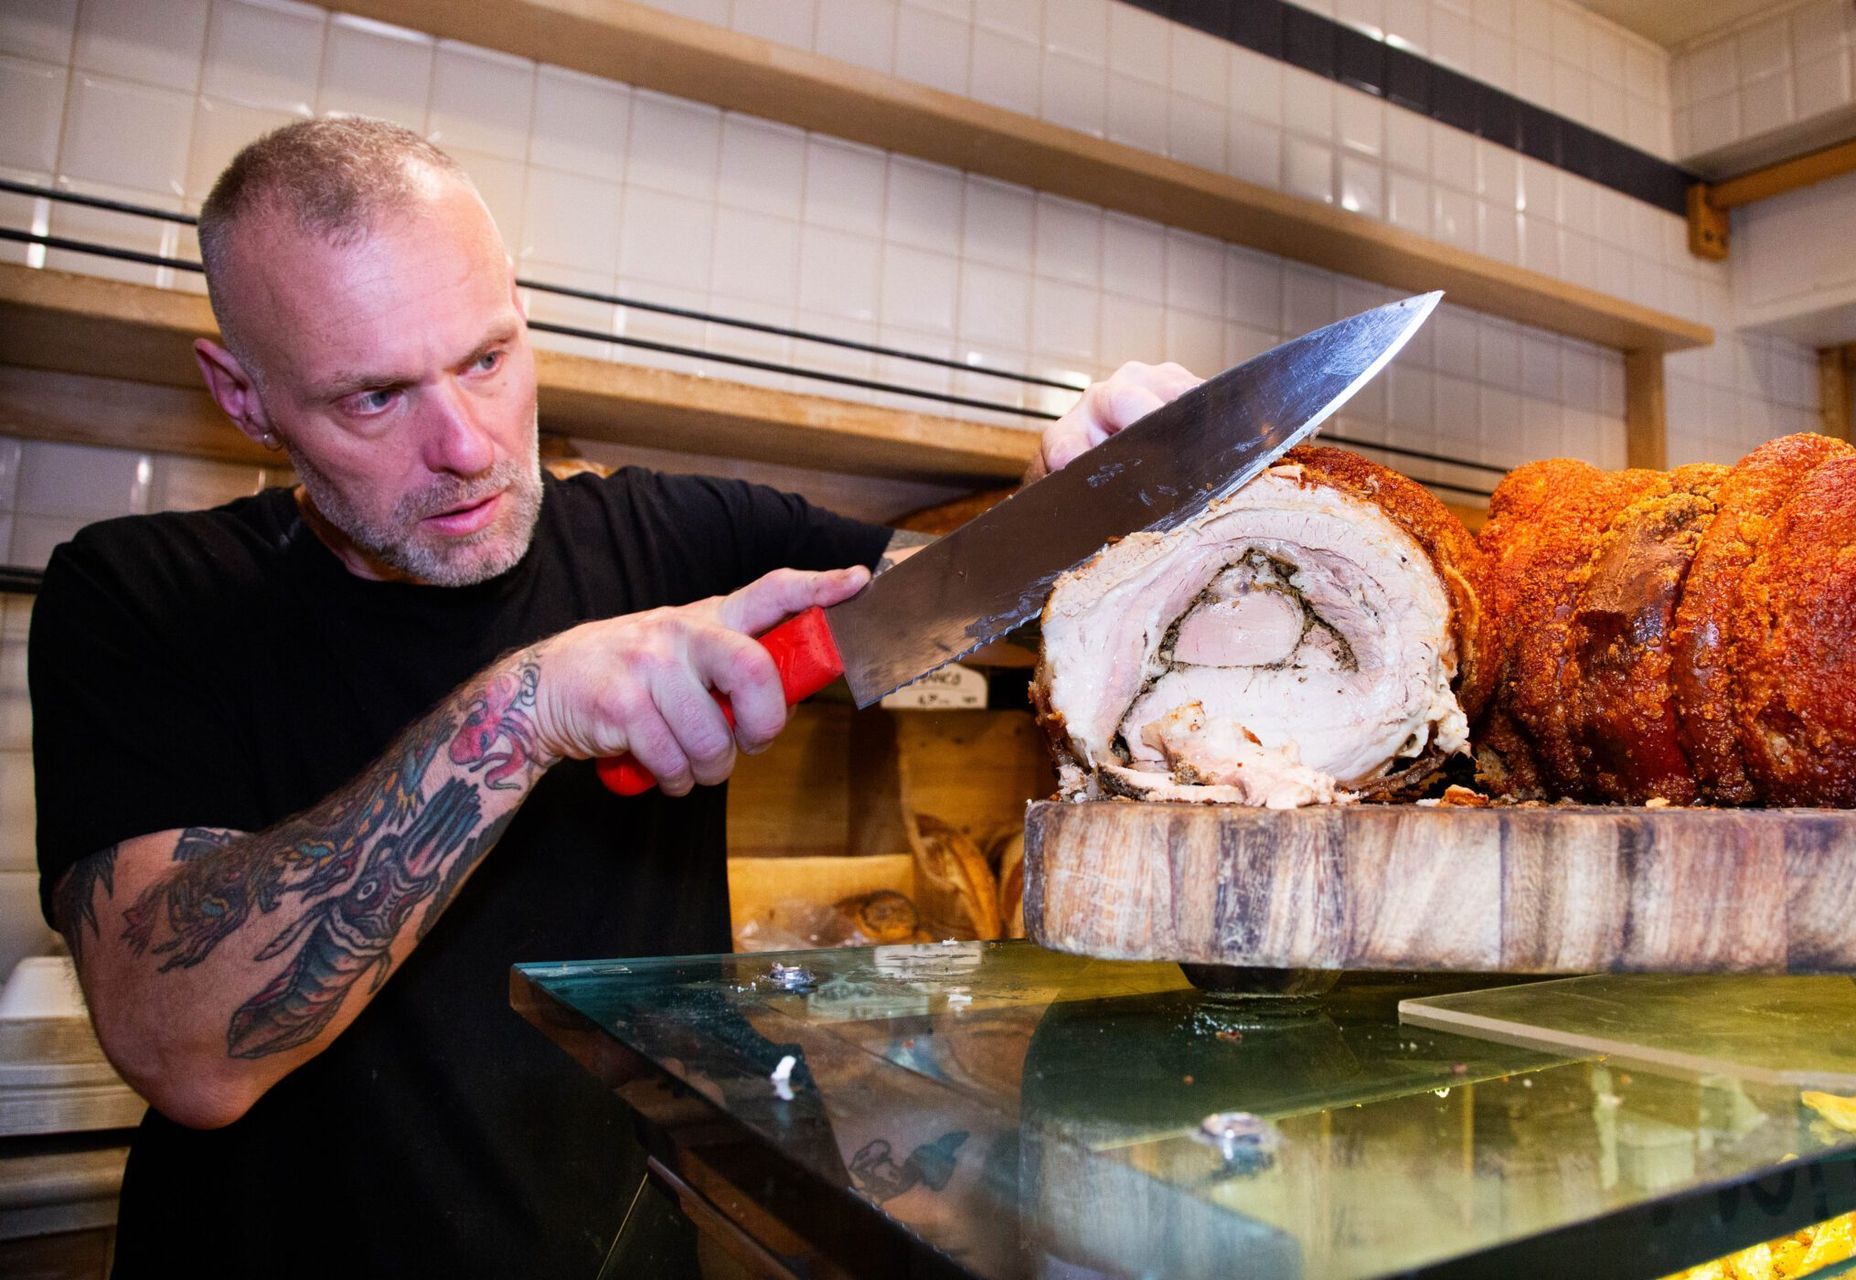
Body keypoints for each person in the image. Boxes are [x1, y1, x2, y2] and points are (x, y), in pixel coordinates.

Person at [29, 117, 1201, 1276]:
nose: (467, 444)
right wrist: (524, 705)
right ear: (243, 396)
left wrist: (1086, 496)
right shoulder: (139, 595)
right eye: (374, 398)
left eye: (488, 358)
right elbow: (182, 1048)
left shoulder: (682, 540)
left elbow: (967, 593)